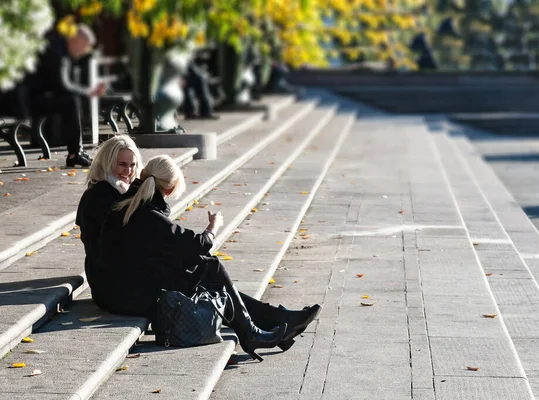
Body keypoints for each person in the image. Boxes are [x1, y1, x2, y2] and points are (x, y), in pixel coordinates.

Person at [92, 155, 320, 361]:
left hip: (116, 287)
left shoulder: (128, 206)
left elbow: (171, 249)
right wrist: (213, 227)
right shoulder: (148, 215)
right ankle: (260, 327)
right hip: (125, 295)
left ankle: (271, 321)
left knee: (204, 272)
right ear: (169, 190)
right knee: (208, 267)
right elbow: (196, 246)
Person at [26, 24, 107, 167]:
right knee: (71, 101)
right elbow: (62, 85)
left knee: (71, 101)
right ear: (75, 40)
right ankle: (75, 153)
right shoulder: (58, 52)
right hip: (28, 99)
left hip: (38, 96)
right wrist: (88, 91)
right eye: (85, 47)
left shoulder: (62, 50)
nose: (84, 52)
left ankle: (75, 152)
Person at [76, 135, 143, 292]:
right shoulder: (100, 194)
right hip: (107, 273)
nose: (128, 171)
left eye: (133, 165)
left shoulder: (123, 190)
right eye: (121, 165)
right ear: (108, 163)